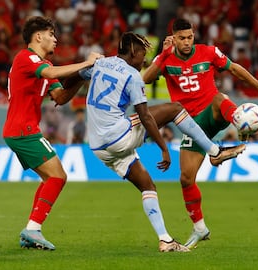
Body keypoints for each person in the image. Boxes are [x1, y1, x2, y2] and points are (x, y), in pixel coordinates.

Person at [52, 32, 245, 252]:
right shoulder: (132, 75)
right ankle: (214, 151)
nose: (144, 60)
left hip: (98, 147)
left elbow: (70, 79)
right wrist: (164, 148)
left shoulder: (99, 64)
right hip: (119, 136)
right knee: (175, 109)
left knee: (147, 185)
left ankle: (165, 240)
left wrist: (81, 72)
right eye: (143, 54)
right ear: (133, 51)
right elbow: (145, 116)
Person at [142, 18, 258, 250]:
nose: (187, 42)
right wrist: (162, 54)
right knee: (186, 178)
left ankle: (240, 125)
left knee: (220, 98)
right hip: (189, 124)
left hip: (212, 113)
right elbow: (145, 79)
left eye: (190, 37)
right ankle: (199, 227)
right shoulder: (166, 58)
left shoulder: (208, 52)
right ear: (174, 38)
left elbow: (235, 69)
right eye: (182, 38)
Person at [2, 16, 102, 251]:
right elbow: (50, 74)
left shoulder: (43, 65)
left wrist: (81, 78)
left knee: (51, 178)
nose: (55, 40)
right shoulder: (27, 58)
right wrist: (85, 64)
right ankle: (33, 228)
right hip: (23, 130)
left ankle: (31, 230)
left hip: (23, 129)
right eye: (51, 35)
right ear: (38, 36)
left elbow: (61, 97)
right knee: (58, 177)